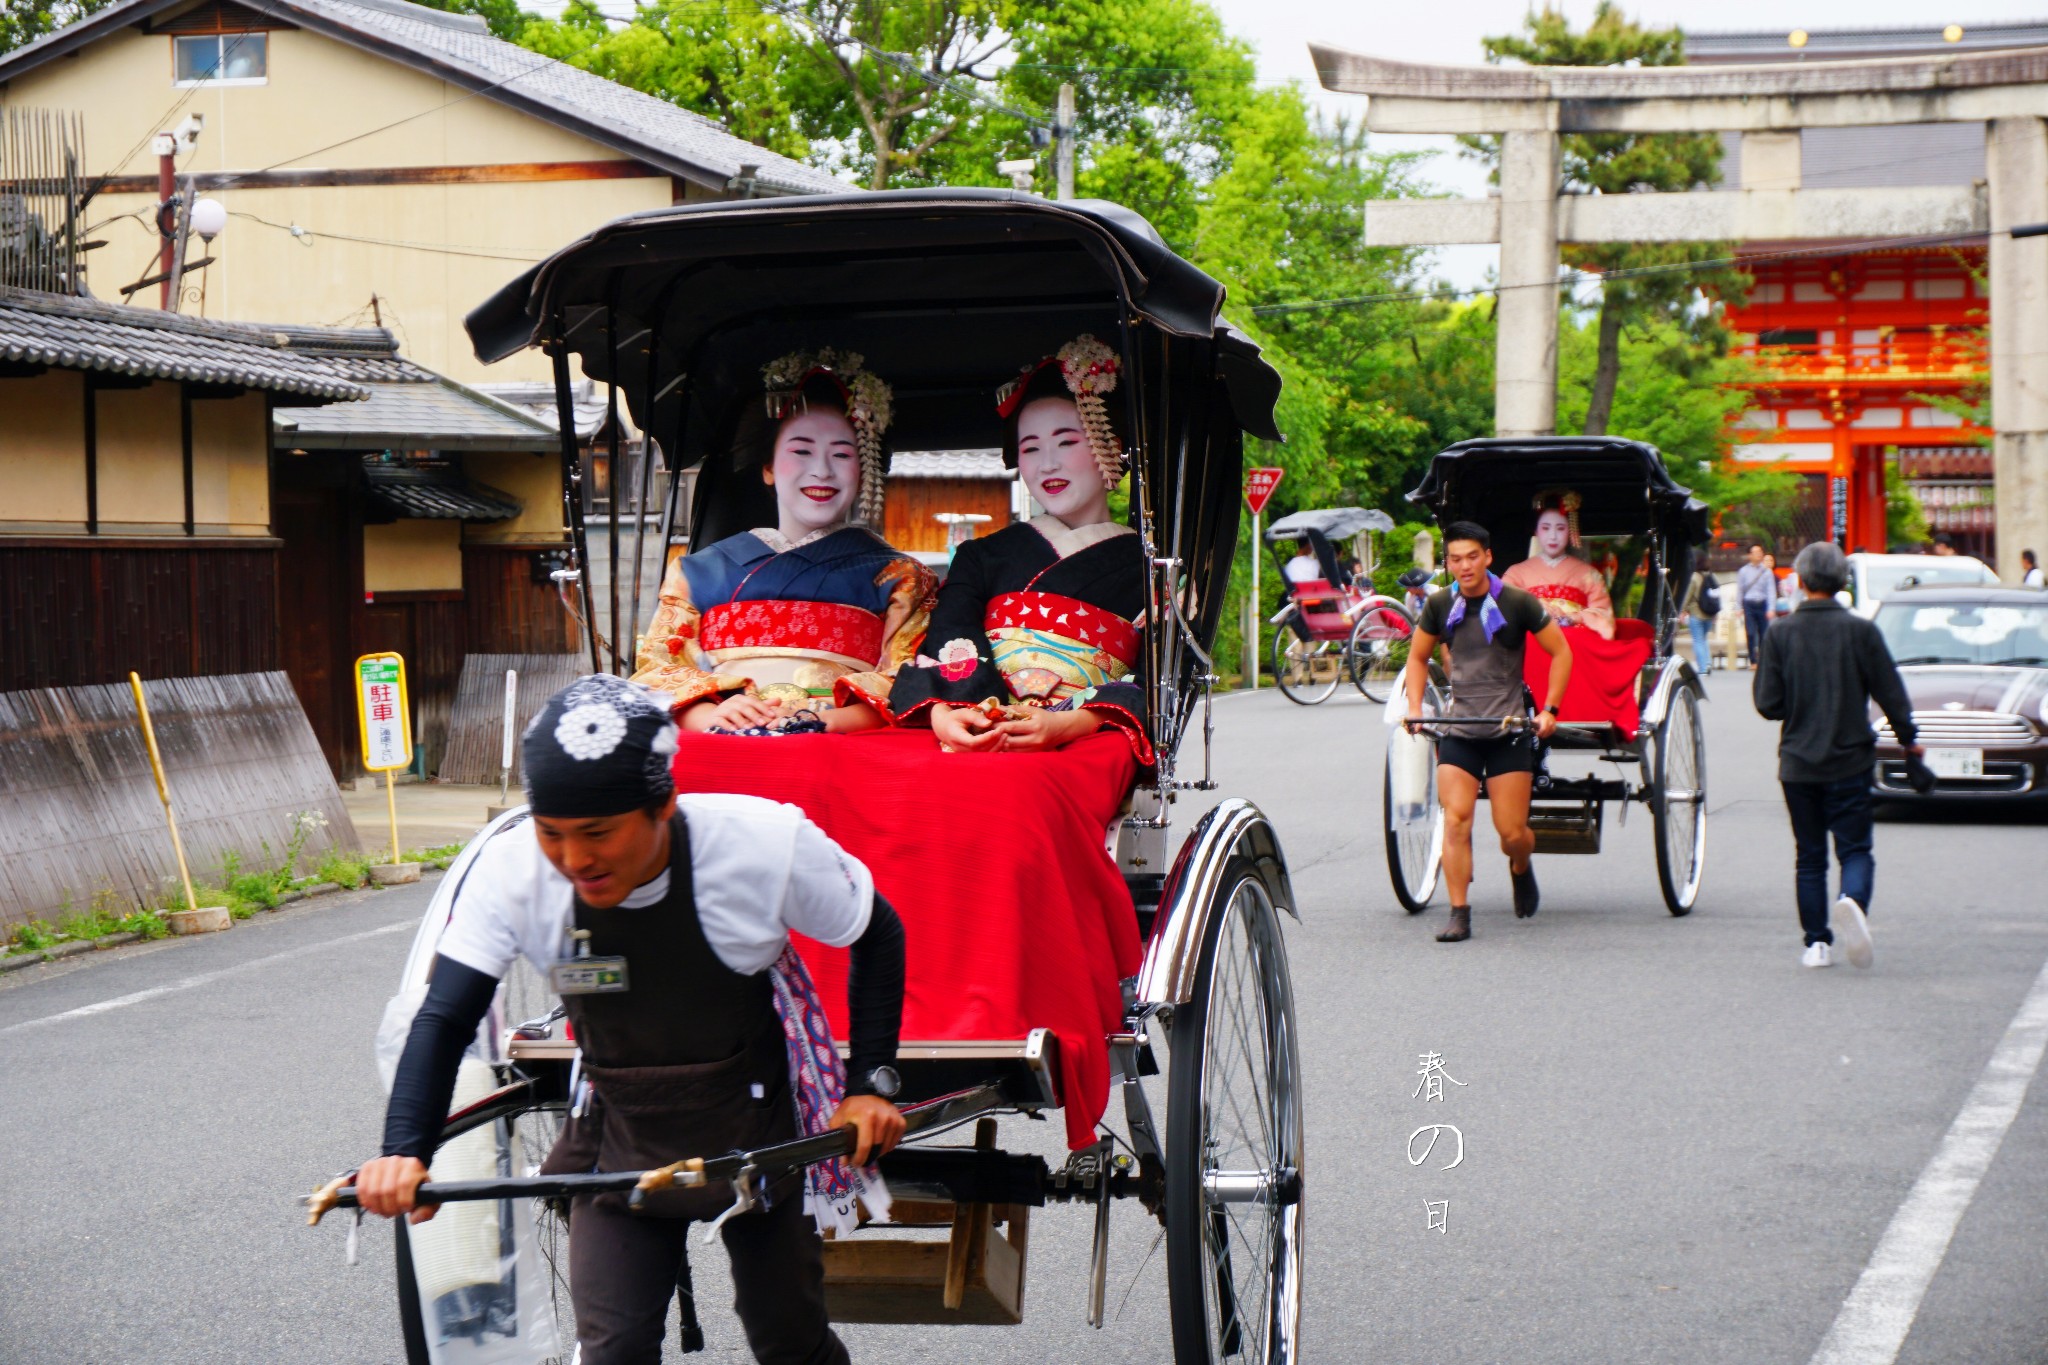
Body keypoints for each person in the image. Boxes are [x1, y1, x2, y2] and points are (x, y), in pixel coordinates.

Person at [355, 675, 906, 1363]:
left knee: (788, 1340)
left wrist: (869, 1086)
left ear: (664, 805)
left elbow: (875, 930)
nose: (575, 858)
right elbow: (443, 1015)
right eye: (552, 833)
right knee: (613, 1352)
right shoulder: (513, 869)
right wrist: (406, 1147)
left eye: (598, 833)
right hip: (617, 1136)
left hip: (760, 1132)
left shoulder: (760, 844)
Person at [630, 349, 935, 734]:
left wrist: (823, 721)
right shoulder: (698, 572)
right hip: (724, 734)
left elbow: (907, 678)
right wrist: (707, 715)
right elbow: (658, 668)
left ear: (863, 470)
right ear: (769, 467)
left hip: (842, 739)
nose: (821, 470)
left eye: (842, 454)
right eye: (802, 451)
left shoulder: (901, 578)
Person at [884, 334, 1151, 760]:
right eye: (1030, 448)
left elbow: (1157, 681)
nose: (1048, 464)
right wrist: (959, 715)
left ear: (1111, 446)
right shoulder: (984, 556)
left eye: (1067, 442)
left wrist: (1071, 721)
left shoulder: (1149, 566)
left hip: (1088, 740)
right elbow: (952, 641)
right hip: (980, 727)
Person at [1753, 543, 1925, 970]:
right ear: (1842, 582)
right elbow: (1891, 693)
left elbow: (1768, 703)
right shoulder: (1861, 632)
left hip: (1798, 762)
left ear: (1802, 581)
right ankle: (1851, 901)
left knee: (1809, 856)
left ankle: (1816, 944)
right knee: (1854, 850)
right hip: (1850, 759)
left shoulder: (1780, 632)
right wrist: (1908, 739)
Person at [1402, 521, 1573, 943]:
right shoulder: (1440, 605)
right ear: (1448, 562)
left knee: (1512, 834)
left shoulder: (1516, 602)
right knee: (1456, 821)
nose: (1465, 566)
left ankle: (1520, 865)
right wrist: (1414, 707)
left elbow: (1561, 651)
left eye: (1472, 557)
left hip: (1508, 729)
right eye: (1456, 559)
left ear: (1488, 557)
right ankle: (1460, 913)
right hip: (1460, 729)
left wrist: (1550, 709)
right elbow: (1418, 657)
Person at [1501, 489, 1615, 638]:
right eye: (1545, 528)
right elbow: (1502, 610)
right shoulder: (1516, 573)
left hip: (1576, 642)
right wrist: (1534, 610)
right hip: (1532, 642)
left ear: (1570, 531)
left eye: (1560, 528)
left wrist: (1573, 618)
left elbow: (1603, 614)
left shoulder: (1589, 574)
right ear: (1536, 531)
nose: (1553, 536)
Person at [1679, 557, 1720, 674]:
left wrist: (1682, 610)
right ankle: (1707, 664)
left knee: (1698, 640)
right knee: (1704, 639)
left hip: (1696, 613)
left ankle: (1702, 669)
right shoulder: (1712, 577)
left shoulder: (1695, 577)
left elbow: (1688, 595)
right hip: (1709, 614)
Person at [1736, 543, 1774, 666]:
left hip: (1762, 604)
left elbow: (1771, 591)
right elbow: (1740, 590)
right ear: (1749, 555)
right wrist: (1738, 607)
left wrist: (1771, 608)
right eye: (1756, 552)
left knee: (1764, 634)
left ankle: (1762, 660)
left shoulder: (1767, 572)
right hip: (1749, 604)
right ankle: (1753, 660)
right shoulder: (1743, 571)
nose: (1759, 554)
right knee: (1750, 633)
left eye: (1760, 552)